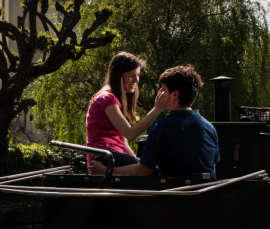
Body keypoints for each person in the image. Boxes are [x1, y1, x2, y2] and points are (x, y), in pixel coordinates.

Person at [88, 65, 219, 179]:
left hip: (175, 197)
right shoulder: (209, 127)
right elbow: (212, 168)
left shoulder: (161, 127)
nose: (160, 92)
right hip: (205, 197)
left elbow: (144, 171)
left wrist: (104, 170)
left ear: (174, 94)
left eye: (163, 89)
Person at [85, 52, 171, 170]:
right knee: (157, 171)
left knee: (149, 169)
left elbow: (124, 143)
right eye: (131, 75)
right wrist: (157, 109)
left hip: (114, 154)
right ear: (118, 76)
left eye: (138, 75)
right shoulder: (106, 99)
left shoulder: (115, 100)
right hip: (105, 155)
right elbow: (131, 134)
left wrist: (138, 166)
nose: (136, 80)